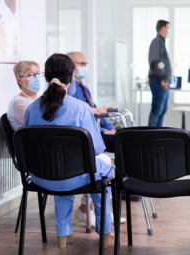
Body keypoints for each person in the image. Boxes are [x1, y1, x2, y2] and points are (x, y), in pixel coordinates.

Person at [24, 53, 114, 249]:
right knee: (103, 171)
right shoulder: (81, 109)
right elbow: (97, 148)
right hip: (72, 177)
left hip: (39, 177)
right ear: (72, 75)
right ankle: (105, 231)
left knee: (61, 168)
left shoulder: (31, 109)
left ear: (46, 76)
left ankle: (63, 233)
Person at [66, 51, 129, 224]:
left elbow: (94, 113)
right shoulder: (69, 92)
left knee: (125, 139)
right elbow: (79, 123)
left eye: (86, 64)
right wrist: (103, 132)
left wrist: (110, 129)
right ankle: (124, 188)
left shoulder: (83, 88)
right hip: (86, 138)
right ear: (70, 66)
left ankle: (129, 186)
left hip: (95, 133)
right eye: (81, 64)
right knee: (122, 145)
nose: (84, 67)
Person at [148, 20, 172, 127]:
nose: (168, 31)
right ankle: (151, 138)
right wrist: (164, 79)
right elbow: (157, 63)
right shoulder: (157, 42)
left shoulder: (161, 42)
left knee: (162, 110)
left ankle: (158, 134)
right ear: (163, 29)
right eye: (168, 28)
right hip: (159, 80)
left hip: (162, 80)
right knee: (157, 110)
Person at [7, 61, 43, 130]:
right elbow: (38, 125)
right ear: (20, 81)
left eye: (38, 73)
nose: (37, 77)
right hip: (32, 139)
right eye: (31, 74)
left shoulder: (39, 99)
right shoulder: (19, 103)